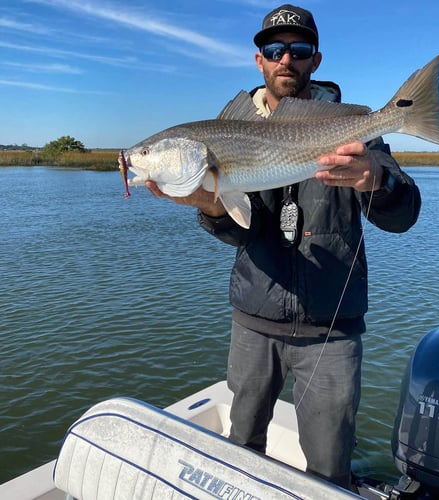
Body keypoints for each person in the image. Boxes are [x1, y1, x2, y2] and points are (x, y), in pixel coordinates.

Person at [147, 4, 421, 491]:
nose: (286, 59)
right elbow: (238, 230)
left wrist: (376, 179)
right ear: (259, 60)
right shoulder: (228, 129)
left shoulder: (352, 128)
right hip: (254, 321)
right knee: (240, 452)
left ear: (315, 59)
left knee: (329, 465)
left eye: (299, 49)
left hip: (332, 331)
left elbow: (403, 216)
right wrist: (210, 206)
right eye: (275, 50)